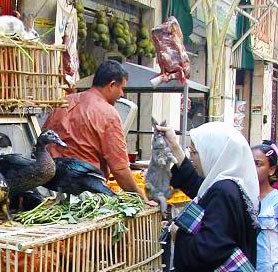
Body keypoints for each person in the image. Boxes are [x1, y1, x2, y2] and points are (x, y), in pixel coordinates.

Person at [43, 60, 155, 205]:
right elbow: (119, 169)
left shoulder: (63, 102)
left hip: (53, 189)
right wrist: (138, 196)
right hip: (87, 195)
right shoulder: (108, 113)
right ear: (112, 85)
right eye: (121, 89)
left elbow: (42, 143)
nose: (122, 94)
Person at [157, 122, 259, 271]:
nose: (191, 157)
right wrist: (174, 147)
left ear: (213, 152)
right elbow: (199, 188)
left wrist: (177, 233)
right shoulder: (232, 185)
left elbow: (208, 250)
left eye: (194, 152)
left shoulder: (223, 191)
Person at [251, 143, 278, 271]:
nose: (252, 168)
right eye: (249, 163)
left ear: (271, 170)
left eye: (258, 164)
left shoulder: (276, 200)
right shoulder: (239, 197)